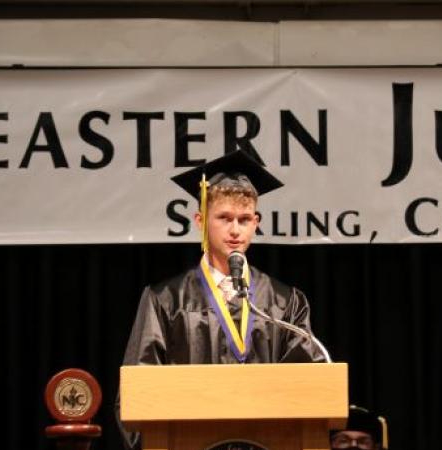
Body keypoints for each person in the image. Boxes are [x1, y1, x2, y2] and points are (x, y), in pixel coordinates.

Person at [118, 151, 326, 448]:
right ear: (201, 220)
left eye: (244, 220)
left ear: (256, 222)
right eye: (224, 218)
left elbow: (308, 389)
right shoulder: (165, 301)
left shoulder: (284, 302)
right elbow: (135, 395)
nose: (235, 230)